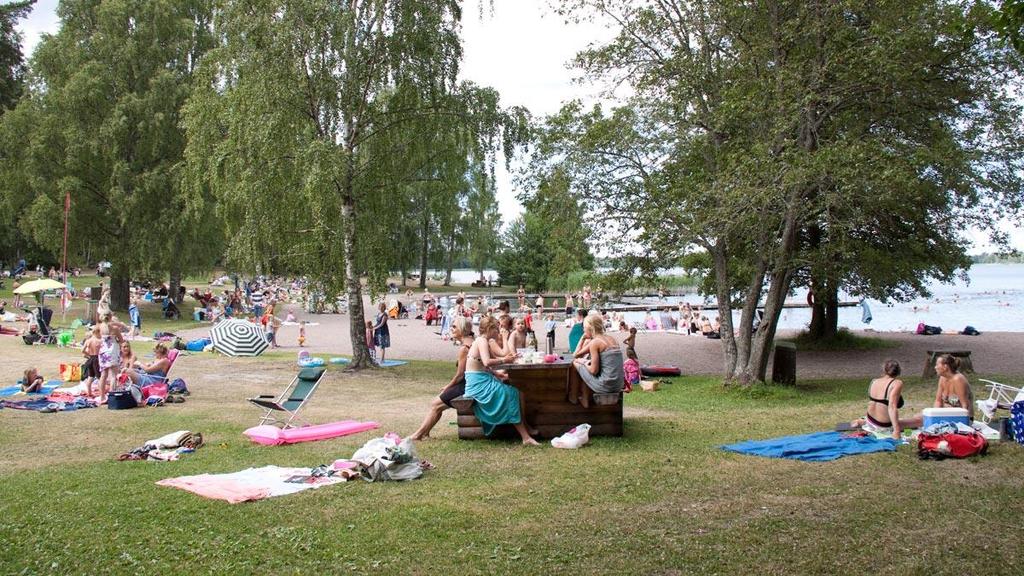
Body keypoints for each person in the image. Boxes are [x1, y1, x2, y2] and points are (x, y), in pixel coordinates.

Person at [464, 316, 539, 445]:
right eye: (496, 328)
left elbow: (493, 360)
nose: (498, 331)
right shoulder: (481, 341)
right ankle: (525, 437)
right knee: (511, 393)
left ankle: (525, 427)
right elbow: (487, 362)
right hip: (477, 383)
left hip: (483, 378)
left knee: (517, 390)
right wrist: (505, 360)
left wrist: (499, 374)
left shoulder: (484, 341)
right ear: (490, 328)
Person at [410, 317, 475, 440]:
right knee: (437, 404)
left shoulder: (464, 348)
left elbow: (460, 375)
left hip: (466, 385)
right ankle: (426, 432)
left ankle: (418, 435)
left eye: (454, 326)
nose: (452, 329)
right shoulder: (473, 342)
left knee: (435, 404)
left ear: (462, 329)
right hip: (471, 382)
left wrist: (448, 386)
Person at [851, 360, 916, 439]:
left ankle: (862, 421)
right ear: (899, 371)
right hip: (882, 426)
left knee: (900, 419)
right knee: (919, 421)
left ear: (884, 369)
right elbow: (892, 407)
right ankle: (864, 422)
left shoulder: (874, 381)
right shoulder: (897, 383)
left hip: (870, 420)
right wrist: (896, 430)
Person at [571, 314, 625, 407]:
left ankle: (574, 396)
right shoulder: (612, 339)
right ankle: (583, 397)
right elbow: (577, 354)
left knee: (575, 363)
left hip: (605, 385)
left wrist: (584, 362)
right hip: (618, 384)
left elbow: (593, 371)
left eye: (584, 327)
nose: (583, 330)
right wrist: (583, 338)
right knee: (583, 364)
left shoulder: (595, 343)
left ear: (590, 328)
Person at [934, 354, 974, 421]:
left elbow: (965, 405)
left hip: (961, 419)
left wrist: (962, 424)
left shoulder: (958, 379)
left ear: (945, 367)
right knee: (920, 417)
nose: (935, 367)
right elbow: (938, 401)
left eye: (937, 365)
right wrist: (935, 416)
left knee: (919, 420)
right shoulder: (942, 378)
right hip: (946, 416)